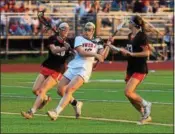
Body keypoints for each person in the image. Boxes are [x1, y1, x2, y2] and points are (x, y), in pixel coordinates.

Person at [47, 22, 110, 120]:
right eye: (85, 29)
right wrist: (95, 54)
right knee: (60, 90)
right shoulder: (79, 38)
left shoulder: (98, 41)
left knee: (69, 90)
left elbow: (103, 56)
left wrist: (108, 46)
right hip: (73, 67)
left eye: (89, 30)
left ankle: (56, 112)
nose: (86, 31)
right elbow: (81, 52)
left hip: (84, 69)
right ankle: (76, 104)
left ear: (93, 31)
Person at [21, 22, 81, 119]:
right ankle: (47, 99)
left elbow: (76, 53)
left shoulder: (70, 41)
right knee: (35, 90)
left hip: (58, 69)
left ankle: (31, 112)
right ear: (58, 30)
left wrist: (72, 52)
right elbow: (53, 50)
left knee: (42, 90)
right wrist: (64, 48)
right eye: (63, 28)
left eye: (67, 28)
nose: (66, 30)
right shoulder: (52, 39)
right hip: (48, 66)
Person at [107, 15, 152, 125]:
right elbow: (125, 52)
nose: (128, 23)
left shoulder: (142, 36)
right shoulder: (130, 36)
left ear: (135, 24)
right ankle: (145, 115)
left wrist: (132, 54)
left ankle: (146, 104)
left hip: (140, 68)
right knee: (130, 97)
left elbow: (147, 53)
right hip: (131, 69)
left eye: (130, 21)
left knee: (128, 91)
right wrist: (111, 45)